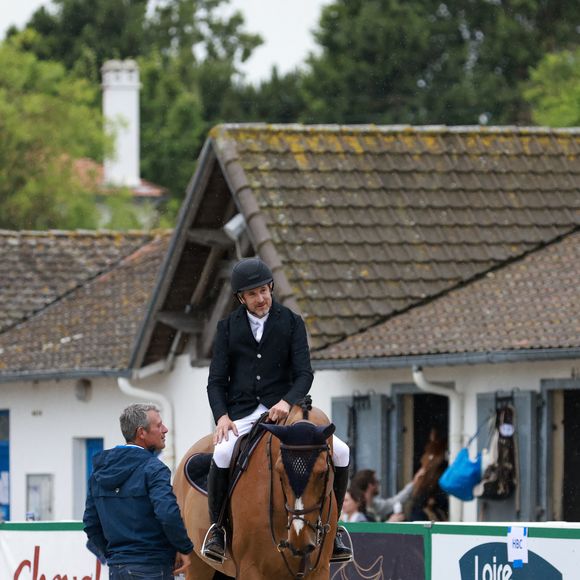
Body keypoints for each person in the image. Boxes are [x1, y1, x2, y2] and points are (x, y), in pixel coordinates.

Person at [203, 257, 352, 563]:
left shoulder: (291, 321)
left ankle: (334, 530)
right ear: (241, 298)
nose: (261, 299)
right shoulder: (227, 328)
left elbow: (304, 374)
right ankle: (218, 529)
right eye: (253, 294)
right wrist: (222, 417)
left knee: (342, 452)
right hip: (244, 412)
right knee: (221, 453)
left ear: (271, 287)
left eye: (264, 291)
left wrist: (286, 401)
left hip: (288, 410)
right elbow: (216, 381)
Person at [83, 403, 193, 579]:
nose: (165, 429)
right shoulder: (154, 468)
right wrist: (184, 547)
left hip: (117, 569)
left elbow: (90, 523)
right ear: (141, 433)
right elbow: (167, 514)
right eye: (158, 425)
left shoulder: (98, 472)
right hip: (152, 568)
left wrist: (116, 555)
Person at [350, 467, 425, 522]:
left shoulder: (374, 505)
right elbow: (368, 535)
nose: (378, 485)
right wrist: (390, 523)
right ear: (370, 485)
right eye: (376, 481)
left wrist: (414, 483)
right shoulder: (358, 508)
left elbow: (395, 501)